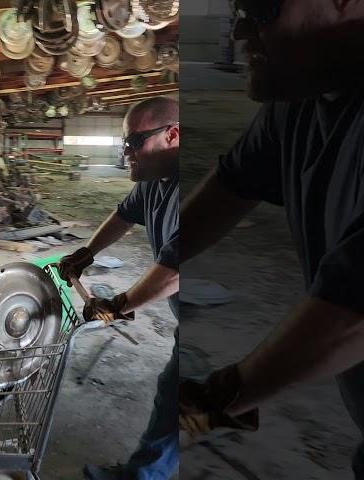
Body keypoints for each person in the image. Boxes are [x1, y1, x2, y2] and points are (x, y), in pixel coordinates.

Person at [179, 0, 364, 477]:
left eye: (262, 9)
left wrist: (219, 400)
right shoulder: (306, 92)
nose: (239, 30)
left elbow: (354, 311)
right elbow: (230, 188)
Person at [58, 96, 180, 480]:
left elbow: (176, 270)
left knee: (181, 398)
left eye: (134, 142)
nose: (126, 152)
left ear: (172, 135)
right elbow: (124, 215)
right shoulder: (154, 181)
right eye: (124, 143)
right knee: (179, 400)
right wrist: (85, 253)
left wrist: (119, 304)